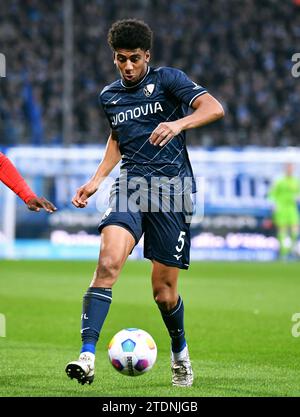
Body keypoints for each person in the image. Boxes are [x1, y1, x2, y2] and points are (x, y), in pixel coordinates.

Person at [65, 19, 224, 387]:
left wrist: (178, 124)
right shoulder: (110, 96)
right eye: (121, 59)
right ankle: (87, 356)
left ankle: (179, 352)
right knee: (107, 263)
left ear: (147, 55)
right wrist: (95, 180)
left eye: (135, 58)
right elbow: (117, 138)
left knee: (164, 294)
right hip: (131, 187)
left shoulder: (169, 80)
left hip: (173, 191)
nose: (128, 67)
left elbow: (214, 108)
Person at [268, 163, 300, 260]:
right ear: (285, 169)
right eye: (288, 168)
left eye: (291, 168)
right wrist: (273, 204)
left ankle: (292, 250)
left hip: (292, 208)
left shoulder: (296, 181)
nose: (290, 170)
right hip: (281, 207)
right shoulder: (279, 181)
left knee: (295, 229)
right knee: (282, 230)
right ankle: (283, 252)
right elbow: (272, 194)